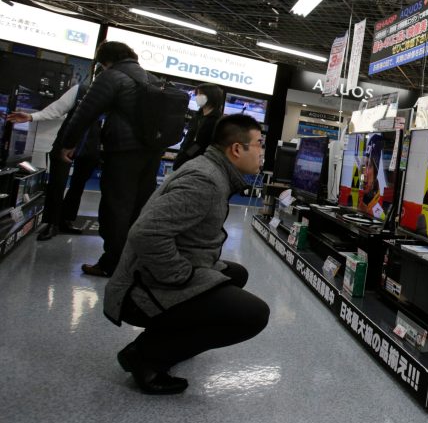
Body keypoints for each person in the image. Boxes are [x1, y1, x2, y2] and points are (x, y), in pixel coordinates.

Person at [104, 114, 270, 394]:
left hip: (154, 273)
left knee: (235, 274)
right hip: (138, 289)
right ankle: (146, 359)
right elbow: (146, 234)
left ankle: (160, 341)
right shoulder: (205, 181)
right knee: (253, 314)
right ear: (236, 149)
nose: (262, 152)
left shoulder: (212, 171)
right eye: (259, 144)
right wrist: (181, 276)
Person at [59, 41, 165, 277]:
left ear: (104, 61)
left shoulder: (111, 77)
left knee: (115, 207)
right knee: (138, 208)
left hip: (122, 151)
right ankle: (132, 261)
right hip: (151, 153)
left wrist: (68, 143)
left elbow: (85, 113)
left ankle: (111, 263)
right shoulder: (152, 79)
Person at [7, 76, 101, 241]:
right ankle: (51, 223)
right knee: (57, 183)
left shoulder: (115, 97)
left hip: (91, 146)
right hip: (66, 141)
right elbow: (57, 108)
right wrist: (31, 117)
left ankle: (66, 220)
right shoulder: (81, 90)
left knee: (78, 186)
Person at [172, 83, 224, 170]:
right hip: (185, 157)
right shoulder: (197, 116)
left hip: (198, 164)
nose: (197, 97)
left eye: (200, 94)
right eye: (197, 94)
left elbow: (199, 144)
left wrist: (185, 157)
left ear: (211, 96)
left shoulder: (216, 120)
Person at [358, 134, 386, 219]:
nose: (364, 174)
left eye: (369, 165)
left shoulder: (381, 207)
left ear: (377, 172)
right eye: (364, 165)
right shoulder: (360, 197)